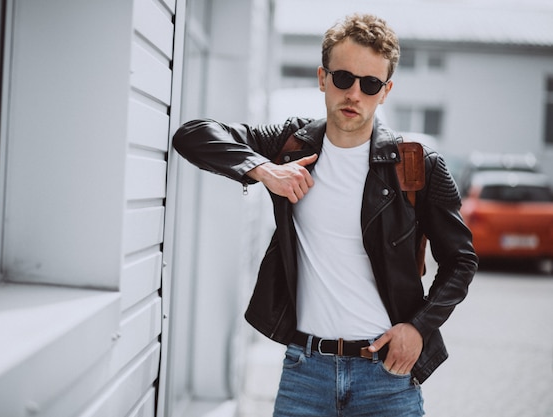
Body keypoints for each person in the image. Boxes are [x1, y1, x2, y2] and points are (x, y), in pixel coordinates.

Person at [173, 13, 478, 417]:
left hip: (386, 377)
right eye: (343, 78)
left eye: (370, 84)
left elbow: (461, 261)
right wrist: (264, 170)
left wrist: (419, 328)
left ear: (385, 91)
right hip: (305, 372)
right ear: (322, 78)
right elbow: (192, 134)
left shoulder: (416, 165)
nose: (354, 93)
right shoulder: (291, 145)